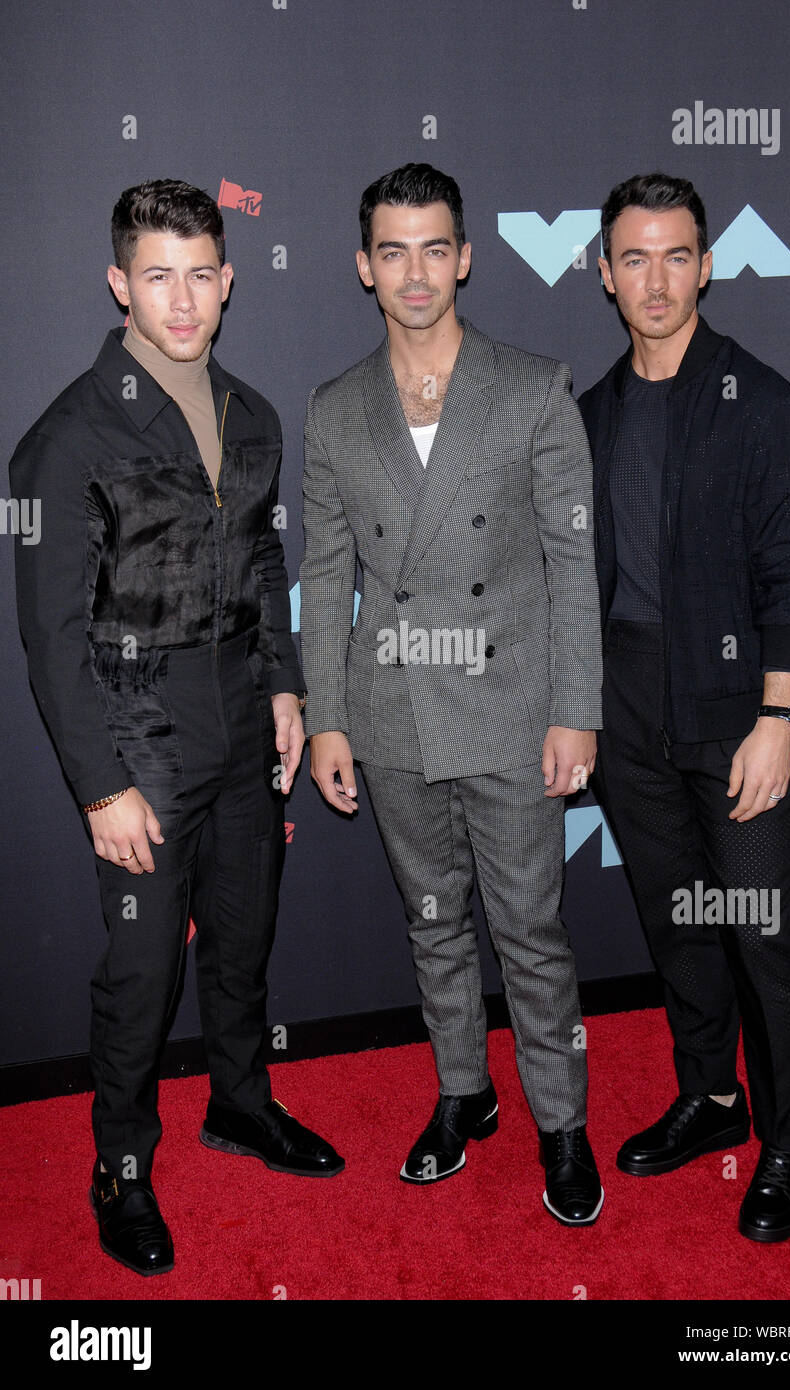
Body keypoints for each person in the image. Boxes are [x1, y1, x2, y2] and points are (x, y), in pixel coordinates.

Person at [9, 179, 343, 1278]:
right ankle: (120, 1162)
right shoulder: (64, 439)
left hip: (246, 719)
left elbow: (259, 559)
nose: (183, 297)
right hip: (138, 728)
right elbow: (52, 636)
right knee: (144, 970)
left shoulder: (250, 412)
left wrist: (287, 688)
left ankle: (240, 1106)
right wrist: (103, 787)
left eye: (201, 272)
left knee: (243, 943)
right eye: (158, 275)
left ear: (229, 279)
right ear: (119, 285)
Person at [299, 163, 604, 1225]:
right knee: (433, 922)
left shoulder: (532, 387)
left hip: (512, 706)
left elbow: (573, 565)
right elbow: (325, 573)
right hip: (389, 716)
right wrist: (327, 714)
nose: (414, 272)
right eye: (392, 250)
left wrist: (576, 709)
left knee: (529, 929)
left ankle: (561, 1126)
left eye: (435, 248)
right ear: (362, 267)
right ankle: (463, 1095)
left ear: (465, 258)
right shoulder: (335, 409)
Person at [578, 172, 790, 1243]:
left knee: (756, 935)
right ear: (602, 271)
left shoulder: (760, 401)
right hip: (625, 700)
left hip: (737, 708)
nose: (654, 278)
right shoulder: (585, 415)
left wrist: (776, 720)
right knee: (677, 920)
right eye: (632, 257)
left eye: (675, 254)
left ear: (706, 264)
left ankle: (782, 1141)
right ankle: (709, 1095)